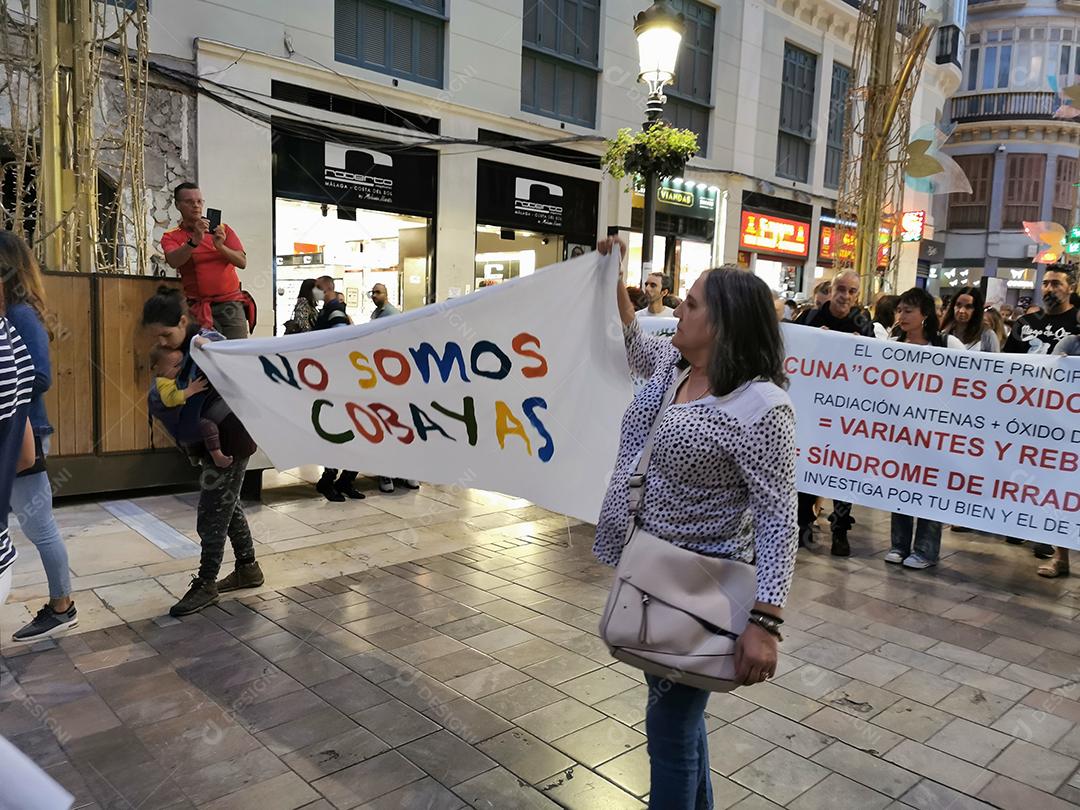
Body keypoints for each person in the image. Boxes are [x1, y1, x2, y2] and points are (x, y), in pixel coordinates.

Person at [595, 237, 797, 808]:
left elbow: (781, 520)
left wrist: (767, 620)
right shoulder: (672, 366)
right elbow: (631, 337)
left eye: (690, 304)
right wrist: (612, 274)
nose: (677, 310)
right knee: (681, 716)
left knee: (670, 730)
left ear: (725, 322)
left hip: (700, 586)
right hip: (649, 571)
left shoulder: (761, 408)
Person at [142, 287, 264, 616]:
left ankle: (207, 582)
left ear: (184, 321)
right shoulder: (174, 352)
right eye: (156, 337)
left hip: (229, 439)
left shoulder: (204, 341)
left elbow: (230, 357)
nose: (163, 342)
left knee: (212, 512)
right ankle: (248, 568)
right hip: (210, 442)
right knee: (227, 504)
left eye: (167, 334)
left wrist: (209, 347)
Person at [0, 233, 77, 642]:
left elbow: (40, 375)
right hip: (14, 430)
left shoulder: (20, 313)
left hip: (21, 433)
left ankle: (62, 606)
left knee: (39, 524)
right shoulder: (11, 311)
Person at [1003, 264, 1079, 572]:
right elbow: (1004, 364)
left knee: (1061, 481)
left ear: (1070, 287)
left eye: (1056, 284)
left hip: (1066, 418)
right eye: (1045, 284)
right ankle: (1031, 526)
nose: (1049, 289)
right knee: (1026, 475)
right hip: (1027, 414)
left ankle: (1060, 554)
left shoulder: (1077, 321)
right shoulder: (1025, 323)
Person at [794, 270, 874, 556]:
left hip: (846, 412)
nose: (845, 296)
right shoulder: (810, 319)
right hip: (812, 408)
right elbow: (793, 352)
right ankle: (803, 524)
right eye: (841, 289)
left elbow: (874, 368)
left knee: (842, 469)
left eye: (852, 291)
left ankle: (840, 529)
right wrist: (816, 343)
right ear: (831, 290)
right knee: (806, 465)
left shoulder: (864, 325)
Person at [885, 288, 960, 570]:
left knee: (931, 488)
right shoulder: (891, 344)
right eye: (899, 310)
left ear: (924, 315)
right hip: (899, 432)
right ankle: (899, 544)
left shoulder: (946, 345)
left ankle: (926, 550)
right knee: (900, 485)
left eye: (908, 311)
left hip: (935, 434)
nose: (902, 316)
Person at [160, 183, 251, 339]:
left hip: (230, 304)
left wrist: (220, 247)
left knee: (236, 354)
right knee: (203, 356)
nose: (196, 206)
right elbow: (174, 261)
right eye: (189, 202)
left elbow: (242, 262)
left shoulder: (223, 229)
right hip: (197, 306)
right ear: (177, 205)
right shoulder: (171, 236)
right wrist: (194, 241)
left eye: (199, 201)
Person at [366, 287, 419, 494]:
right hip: (382, 376)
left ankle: (404, 471)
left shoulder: (391, 314)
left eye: (378, 292)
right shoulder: (377, 314)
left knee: (400, 427)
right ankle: (389, 472)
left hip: (394, 377)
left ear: (386, 294)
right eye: (373, 293)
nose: (374, 296)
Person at [150, 346, 231, 468]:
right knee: (209, 427)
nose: (178, 369)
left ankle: (193, 453)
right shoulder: (163, 383)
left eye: (179, 365)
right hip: (181, 419)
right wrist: (191, 390)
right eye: (174, 366)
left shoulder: (172, 377)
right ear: (157, 368)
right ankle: (217, 456)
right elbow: (170, 400)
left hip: (187, 415)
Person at [941, 285, 999, 352]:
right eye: (958, 305)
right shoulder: (945, 332)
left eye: (968, 307)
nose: (961, 311)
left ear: (976, 310)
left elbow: (995, 360)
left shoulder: (987, 335)